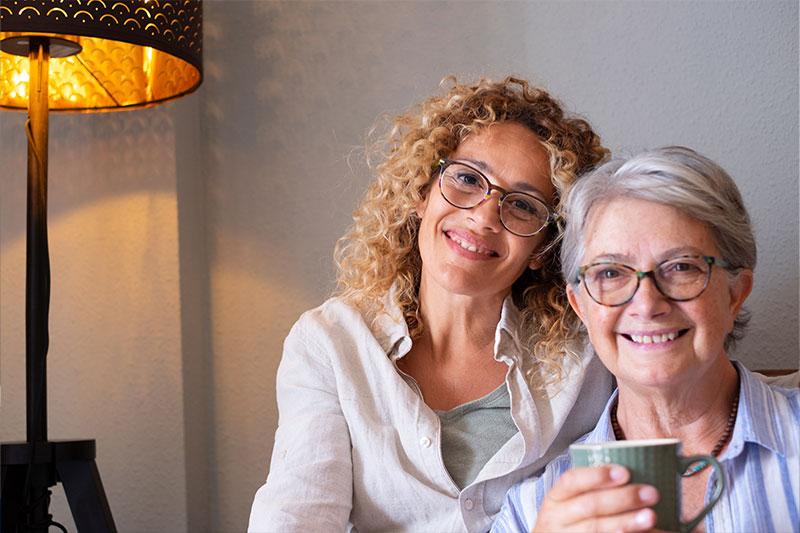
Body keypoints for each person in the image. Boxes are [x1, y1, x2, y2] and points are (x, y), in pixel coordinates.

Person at [247, 76, 615, 532]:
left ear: (544, 246)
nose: (483, 217)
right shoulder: (332, 342)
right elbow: (296, 516)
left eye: (522, 205)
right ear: (422, 191)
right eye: (465, 179)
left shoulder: (591, 357)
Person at [492, 146, 800, 532]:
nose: (647, 304)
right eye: (609, 273)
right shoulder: (530, 512)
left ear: (735, 293)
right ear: (581, 306)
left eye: (681, 267)